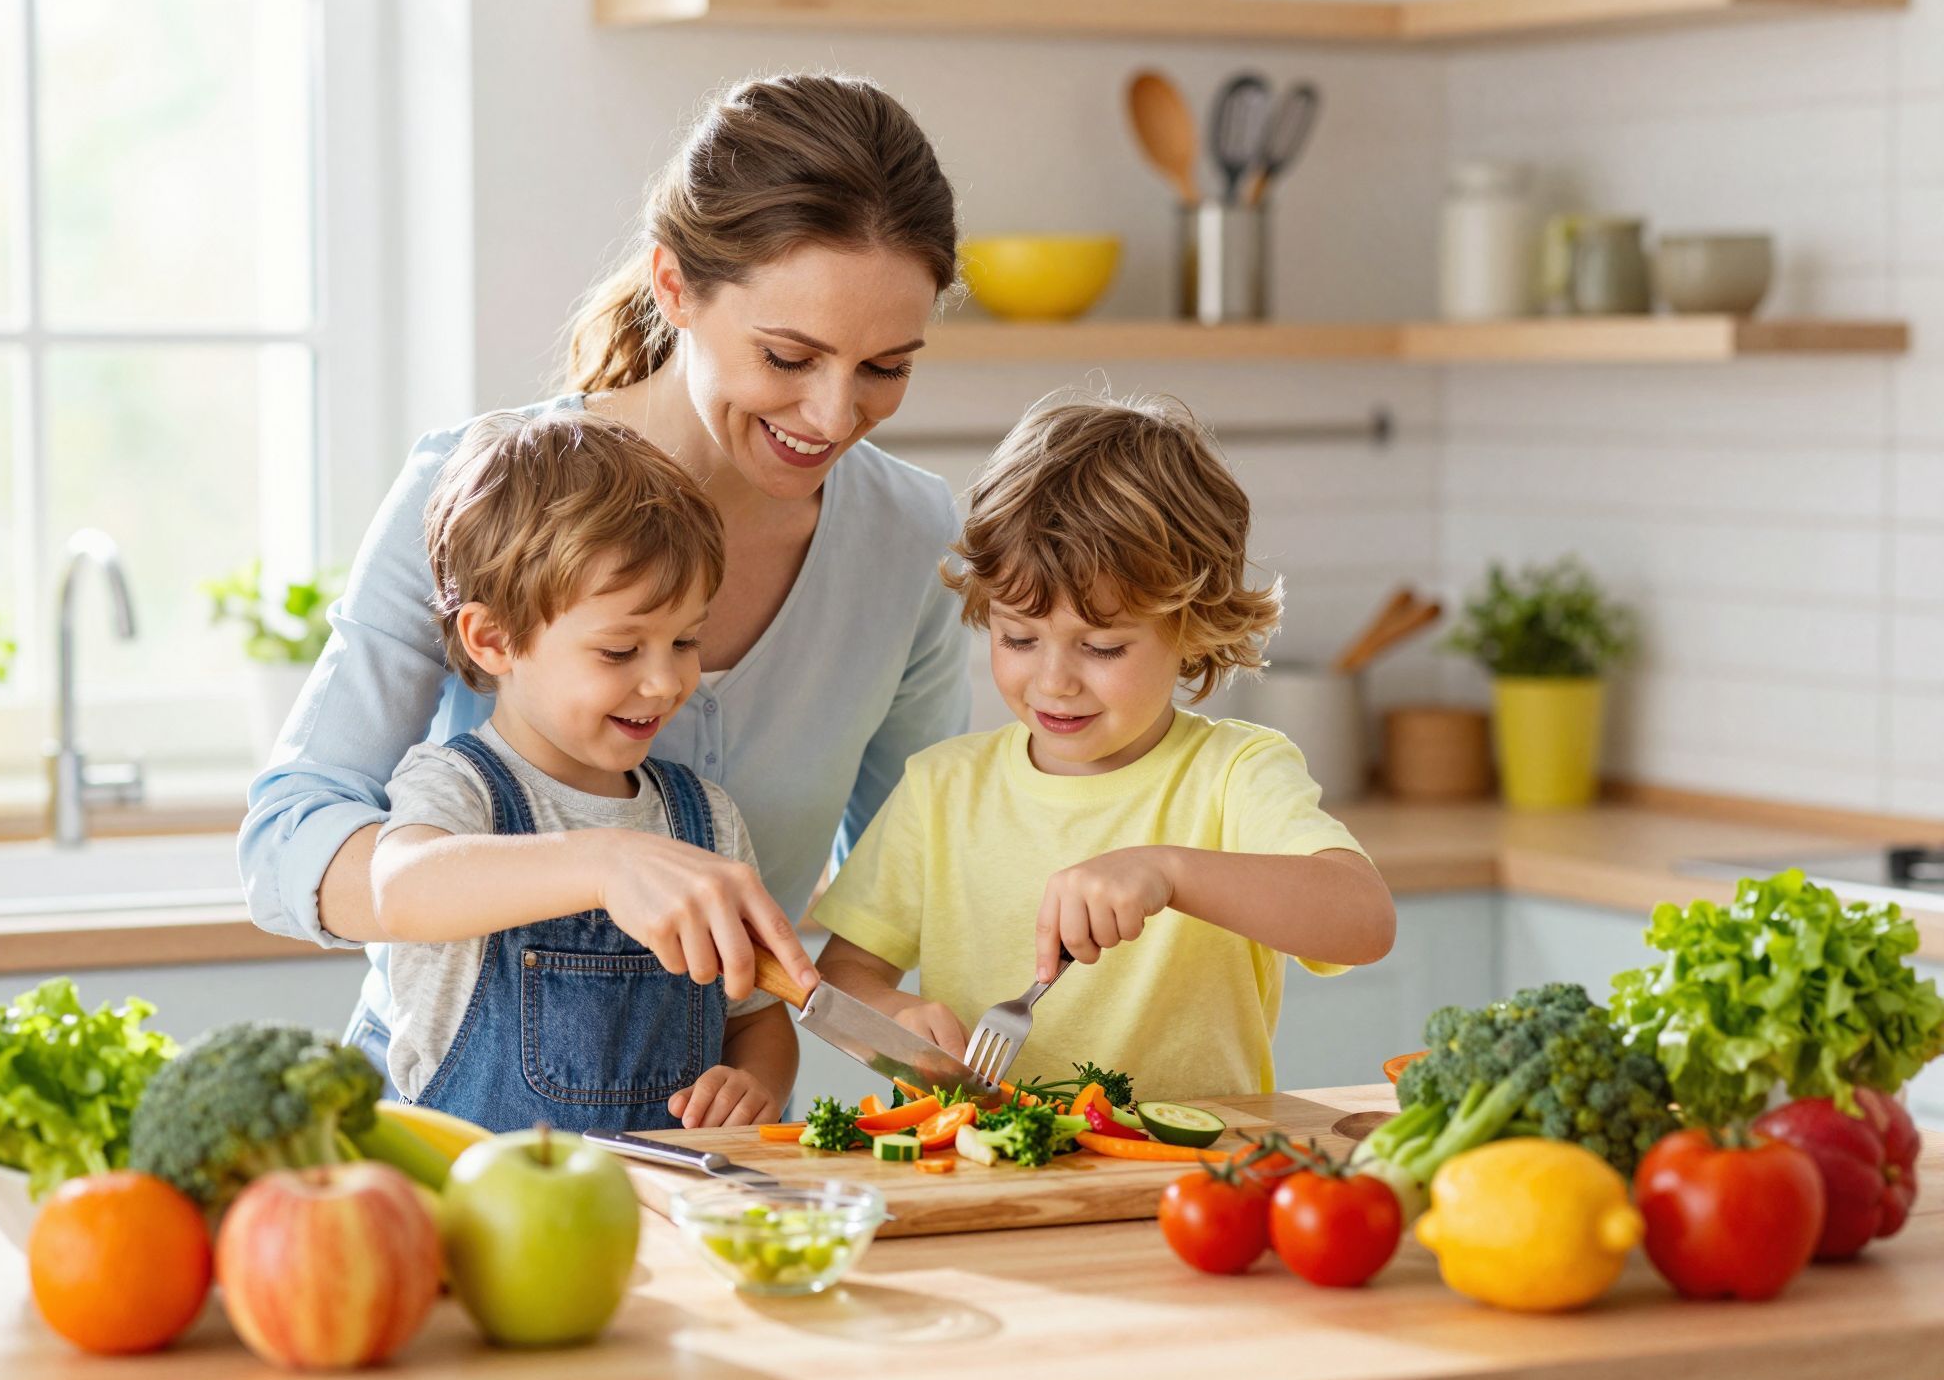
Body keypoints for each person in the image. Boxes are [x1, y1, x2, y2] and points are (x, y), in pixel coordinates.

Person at [236, 74, 970, 1102]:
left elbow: (915, 855)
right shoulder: (479, 493)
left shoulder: (911, 539)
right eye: (788, 355)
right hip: (445, 1140)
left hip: (695, 1144)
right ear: (674, 287)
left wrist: (867, 1004)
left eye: (886, 366)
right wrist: (596, 862)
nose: (833, 413)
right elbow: (284, 848)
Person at [809, 396, 1397, 1101]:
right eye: (1019, 638)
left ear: (1192, 627)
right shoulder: (942, 788)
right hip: (980, 1171)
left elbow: (1363, 922)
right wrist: (899, 1015)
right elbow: (846, 976)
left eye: (1102, 646)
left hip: (1190, 1180)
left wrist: (1168, 871)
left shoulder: (1233, 775)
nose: (1053, 681)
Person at [366, 409, 796, 1131]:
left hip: (667, 1221)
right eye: (620, 652)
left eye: (686, 640)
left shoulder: (706, 818)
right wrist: (601, 863)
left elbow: (757, 1018)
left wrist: (753, 1081)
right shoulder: (457, 788)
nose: (665, 683)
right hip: (484, 1222)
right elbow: (400, 889)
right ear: (494, 638)